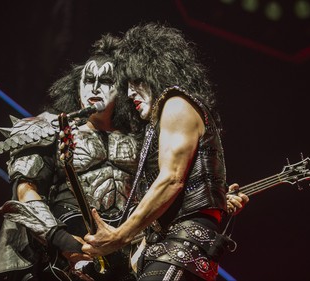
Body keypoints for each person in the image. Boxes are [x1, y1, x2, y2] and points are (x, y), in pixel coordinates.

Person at [82, 22, 249, 281]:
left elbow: (171, 179)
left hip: (181, 246)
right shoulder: (162, 119)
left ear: (152, 71)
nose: (129, 93)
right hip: (172, 247)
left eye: (134, 81)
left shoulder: (175, 103)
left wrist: (119, 236)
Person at [0, 34, 144, 281]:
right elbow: (25, 190)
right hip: (62, 252)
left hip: (127, 254)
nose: (94, 88)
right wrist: (62, 241)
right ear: (76, 84)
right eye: (89, 80)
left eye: (105, 80)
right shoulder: (49, 128)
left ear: (122, 88)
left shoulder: (141, 137)